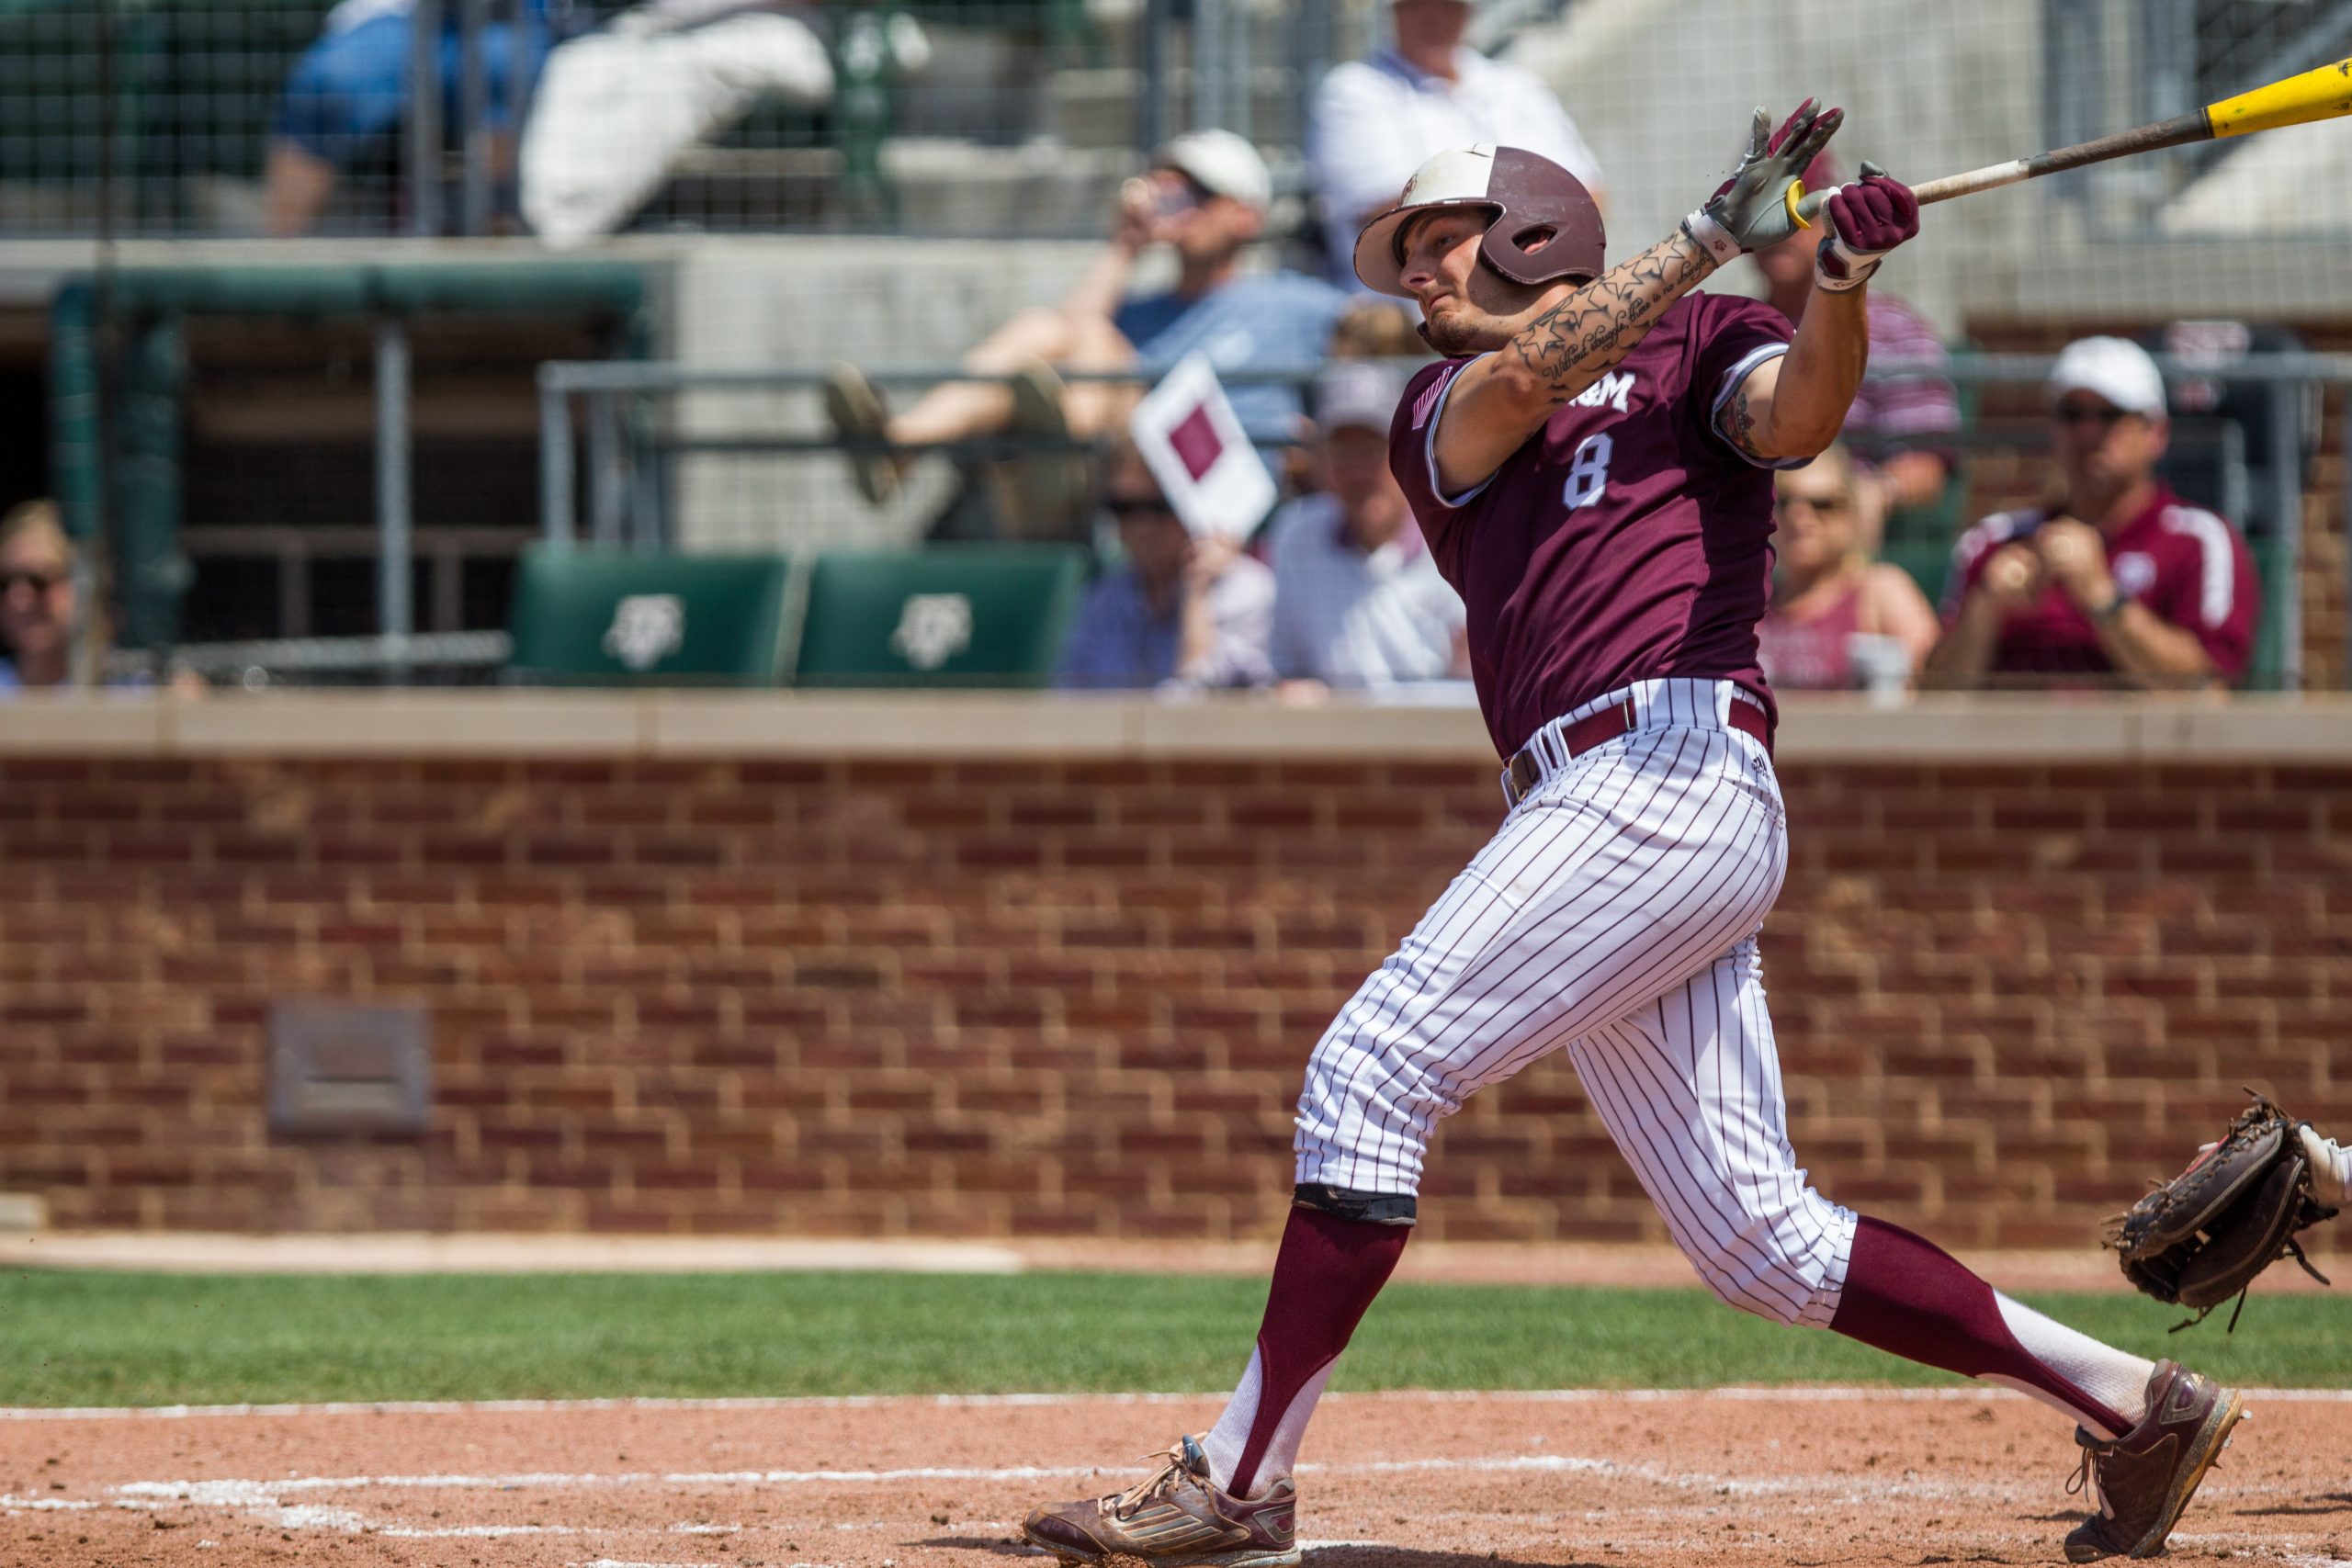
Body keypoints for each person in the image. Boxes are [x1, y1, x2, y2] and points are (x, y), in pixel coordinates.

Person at [1020, 123, 2245, 1568]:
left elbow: (1799, 419)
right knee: (1759, 1241)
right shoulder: (1437, 408)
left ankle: (1237, 1483)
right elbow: (1523, 382)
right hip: (1591, 798)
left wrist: (1838, 277)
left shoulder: (1706, 335)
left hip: (1668, 759)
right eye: (1408, 254)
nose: (1416, 276)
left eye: (1437, 240)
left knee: (1368, 1070)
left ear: (1534, 226)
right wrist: (1713, 226)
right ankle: (2137, 1404)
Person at [825, 131, 1345, 531]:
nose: (1179, 205)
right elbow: (1063, 335)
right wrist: (1125, 246)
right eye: (1170, 190)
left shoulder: (1292, 301)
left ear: (1245, 215)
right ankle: (903, 443)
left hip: (1225, 483)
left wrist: (1322, 443)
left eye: (1198, 193)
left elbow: (1381, 341)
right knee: (1045, 330)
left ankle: (1045, 454)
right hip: (1130, 474)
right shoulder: (1139, 310)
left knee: (1091, 342)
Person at [1923, 336, 2260, 691]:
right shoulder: (1993, 541)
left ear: (2156, 433)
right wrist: (1985, 609)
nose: (2088, 432)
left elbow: (2208, 689)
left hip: (2142, 744)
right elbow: (1933, 699)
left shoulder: (2198, 540)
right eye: (2072, 415)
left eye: (2110, 415)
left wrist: (2102, 596)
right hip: (2013, 743)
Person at [1306, 0, 1605, 289]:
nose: (1433, 18)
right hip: (1405, 319)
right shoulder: (1355, 90)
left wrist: (1467, 194)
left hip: (1531, 298)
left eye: (1448, 5)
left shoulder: (1517, 85)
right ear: (1394, 11)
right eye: (1418, 4)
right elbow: (1387, 213)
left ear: (1468, 12)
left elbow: (1588, 198)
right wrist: (1529, 203)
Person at [1750, 152, 1958, 547]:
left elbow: (1926, 461)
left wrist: (1878, 490)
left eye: (1799, 206)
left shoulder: (1895, 329)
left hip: (1842, 535)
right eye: (1764, 210)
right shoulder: (1731, 327)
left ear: (1830, 215)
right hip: (1751, 528)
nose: (1781, 226)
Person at [267, 0, 564, 236]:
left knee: (512, 83)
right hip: (399, 16)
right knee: (326, 84)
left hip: (513, 18)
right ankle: (276, 274)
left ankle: (499, 274)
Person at [1268, 362, 1465, 691]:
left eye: (1373, 450)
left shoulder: (1458, 534)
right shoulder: (1296, 536)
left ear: (1408, 453)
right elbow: (1288, 670)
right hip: (1332, 737)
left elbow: (1471, 688)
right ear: (1323, 460)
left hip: (1438, 738)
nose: (1358, 471)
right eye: (1344, 451)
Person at [1055, 440, 1273, 692]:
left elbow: (1198, 708)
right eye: (1123, 508)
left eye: (1159, 507)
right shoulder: (1104, 599)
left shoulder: (1246, 591)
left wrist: (1197, 594)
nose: (1140, 525)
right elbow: (1066, 702)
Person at [1757, 444, 1939, 691]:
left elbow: (1936, 685)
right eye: (1786, 503)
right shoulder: (1754, 600)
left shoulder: (1880, 592)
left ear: (1852, 515)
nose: (1799, 516)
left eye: (1821, 504)